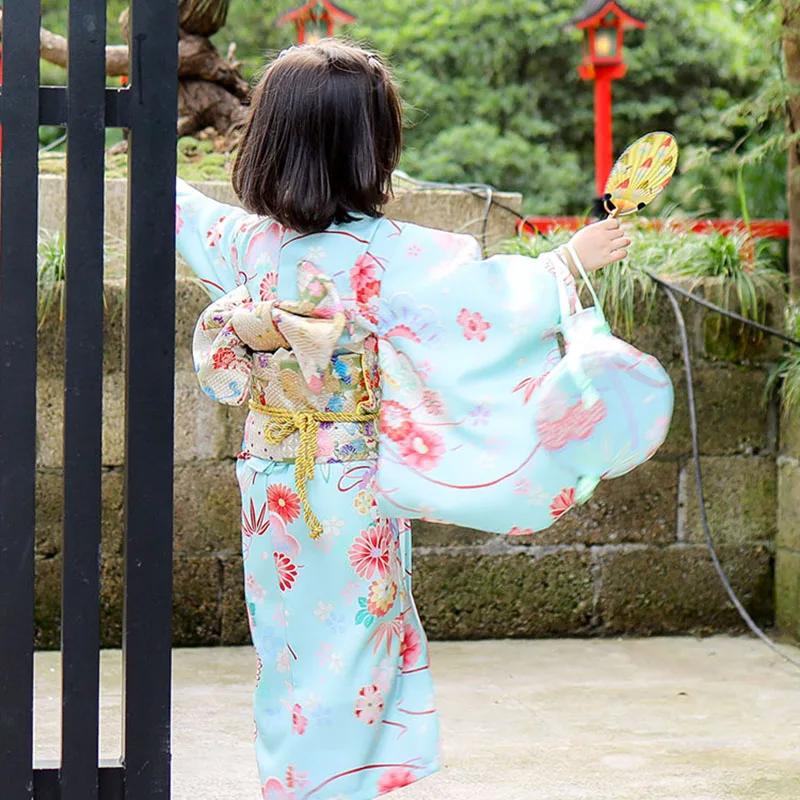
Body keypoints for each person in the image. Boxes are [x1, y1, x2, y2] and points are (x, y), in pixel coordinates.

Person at [176, 40, 635, 800]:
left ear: (268, 143)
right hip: (355, 485)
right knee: (357, 642)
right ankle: (336, 786)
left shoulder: (249, 244)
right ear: (373, 149)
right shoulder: (399, 256)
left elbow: (185, 215)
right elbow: (495, 300)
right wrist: (572, 259)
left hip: (270, 484)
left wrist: (124, 128)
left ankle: (290, 779)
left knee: (288, 647)